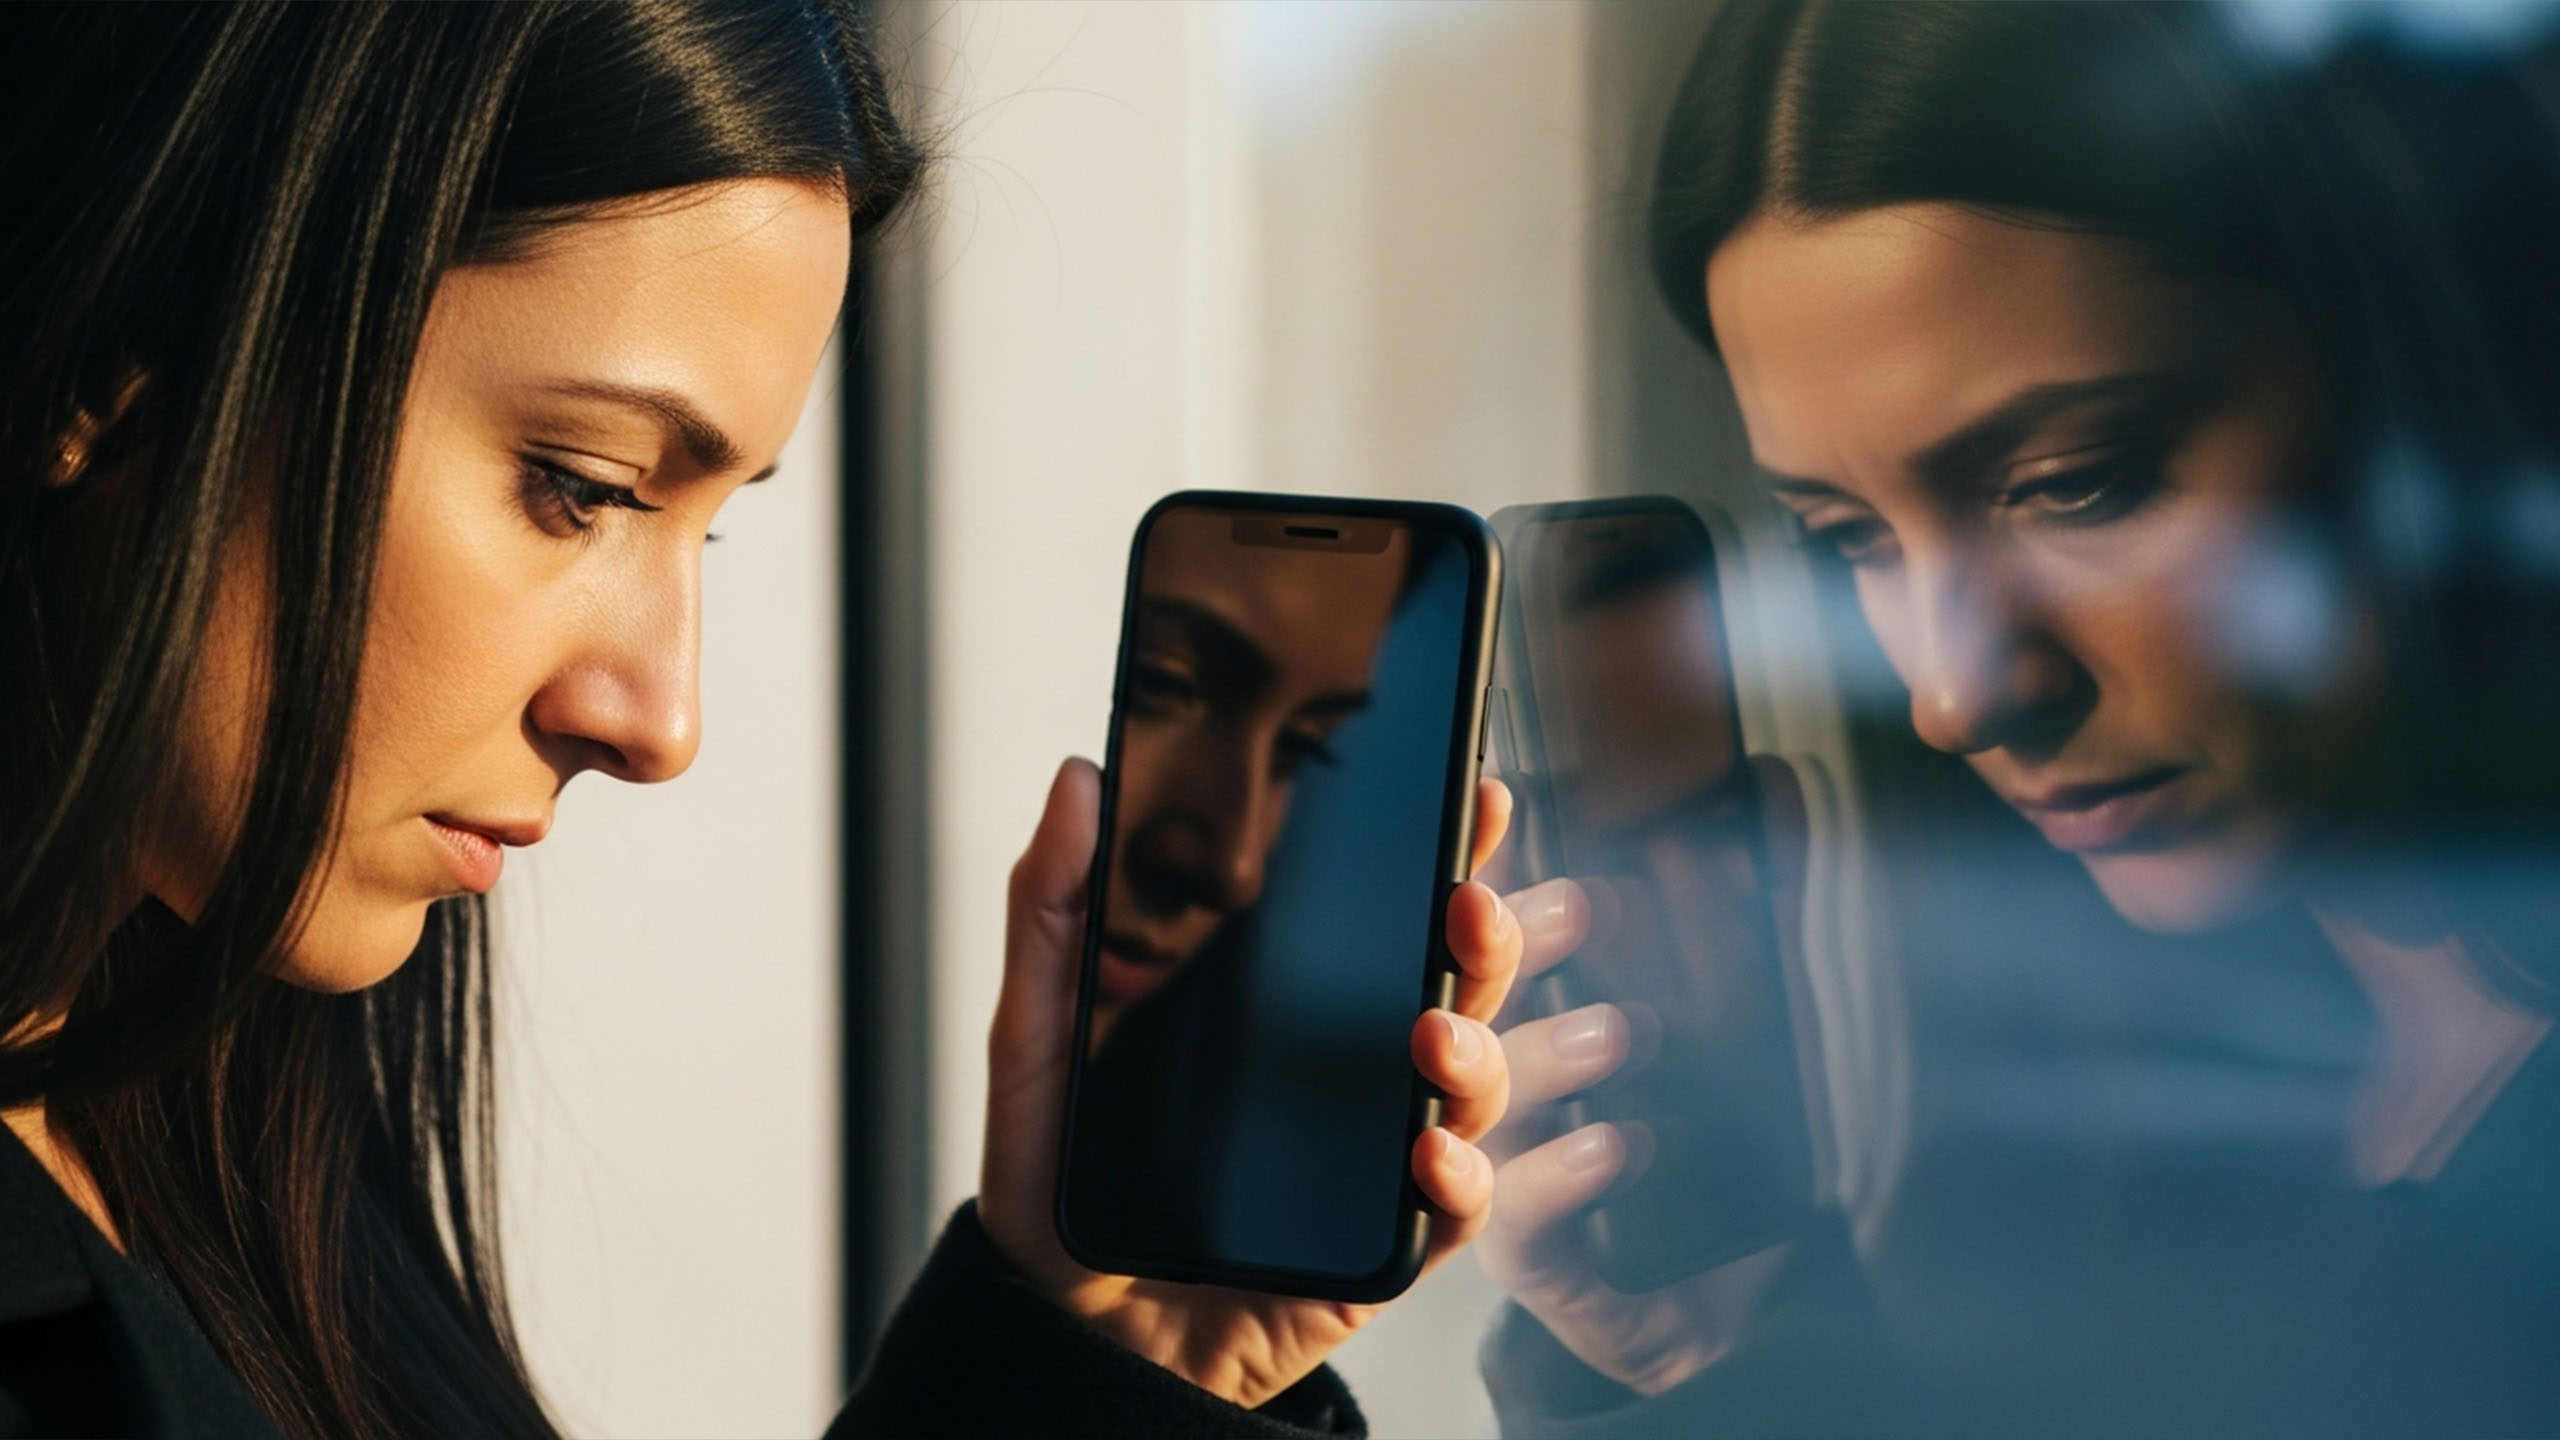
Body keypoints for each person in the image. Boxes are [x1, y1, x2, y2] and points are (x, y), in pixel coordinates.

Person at [0, 6, 1524, 1437]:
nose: (662, 723)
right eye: (582, 488)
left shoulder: (232, 1146)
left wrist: (1100, 1360)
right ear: (109, 375)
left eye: (705, 528)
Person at [1479, 2, 2560, 1434]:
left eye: (2078, 484)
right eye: (1848, 536)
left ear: (2416, 378)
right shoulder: (2098, 1127)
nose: (1952, 693)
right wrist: (1722, 1353)